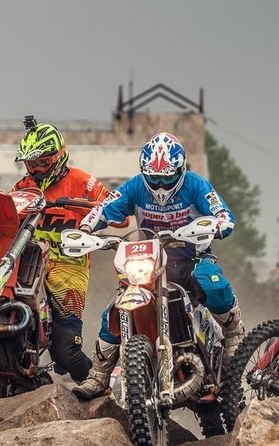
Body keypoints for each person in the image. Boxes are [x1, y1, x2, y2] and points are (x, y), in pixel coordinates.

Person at [72, 132, 245, 400]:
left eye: (167, 178)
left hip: (191, 259)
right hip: (150, 261)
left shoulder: (196, 185)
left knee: (210, 280)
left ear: (181, 170)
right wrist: (85, 229)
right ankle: (98, 377)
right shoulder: (134, 187)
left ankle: (233, 333)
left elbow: (223, 214)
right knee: (115, 309)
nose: (161, 184)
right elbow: (104, 208)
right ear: (144, 172)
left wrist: (219, 225)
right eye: (154, 178)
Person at [10, 116, 110, 382]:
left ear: (58, 156)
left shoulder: (83, 182)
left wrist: (88, 211)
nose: (36, 169)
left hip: (69, 265)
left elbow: (117, 213)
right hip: (30, 265)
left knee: (66, 353)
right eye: (31, 163)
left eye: (43, 162)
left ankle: (101, 387)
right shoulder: (24, 186)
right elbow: (4, 215)